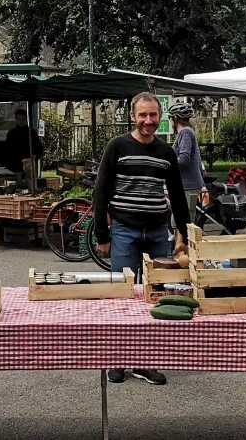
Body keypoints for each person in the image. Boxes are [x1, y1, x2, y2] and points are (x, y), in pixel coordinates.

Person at [93, 92, 190, 387]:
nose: (148, 120)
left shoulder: (166, 152)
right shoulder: (117, 146)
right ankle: (118, 359)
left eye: (153, 115)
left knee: (156, 295)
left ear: (160, 117)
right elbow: (101, 191)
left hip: (158, 232)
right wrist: (102, 233)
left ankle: (146, 361)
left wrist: (184, 233)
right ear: (132, 116)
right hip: (124, 229)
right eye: (142, 115)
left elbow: (176, 192)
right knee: (122, 296)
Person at [169, 101, 206, 215]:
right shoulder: (185, 132)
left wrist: (167, 164)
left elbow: (184, 158)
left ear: (174, 118)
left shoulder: (185, 132)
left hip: (188, 185)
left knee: (182, 224)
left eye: (170, 118)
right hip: (185, 184)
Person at [3, 109, 43, 186]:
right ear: (16, 119)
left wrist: (35, 156)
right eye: (19, 119)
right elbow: (7, 149)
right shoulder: (12, 133)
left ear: (26, 119)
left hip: (28, 161)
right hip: (15, 162)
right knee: (17, 185)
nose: (21, 121)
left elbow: (38, 147)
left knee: (31, 183)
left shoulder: (32, 132)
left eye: (23, 119)